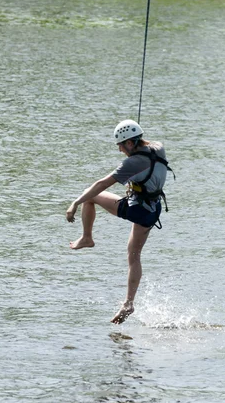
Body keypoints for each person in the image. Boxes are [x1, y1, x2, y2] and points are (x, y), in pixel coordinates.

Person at [66, 119, 173, 325]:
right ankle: (128, 303)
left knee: (90, 197)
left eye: (121, 146)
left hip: (139, 210)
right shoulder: (158, 148)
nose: (120, 151)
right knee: (134, 254)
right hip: (153, 210)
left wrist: (75, 203)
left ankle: (87, 238)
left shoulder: (132, 163)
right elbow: (146, 146)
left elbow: (101, 184)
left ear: (131, 144)